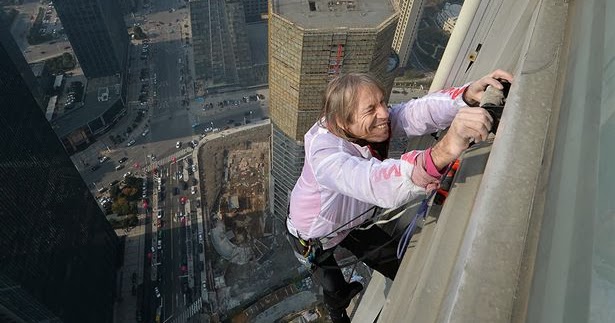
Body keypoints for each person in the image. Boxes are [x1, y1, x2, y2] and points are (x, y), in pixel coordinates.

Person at [286, 70, 514, 322]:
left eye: (383, 102)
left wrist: (466, 96)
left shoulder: (352, 123)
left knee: (399, 264)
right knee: (332, 282)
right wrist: (444, 150)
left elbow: (410, 113)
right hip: (315, 234)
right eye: (371, 109)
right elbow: (372, 181)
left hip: (353, 222)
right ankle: (337, 310)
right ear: (342, 122)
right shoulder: (326, 158)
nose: (384, 113)